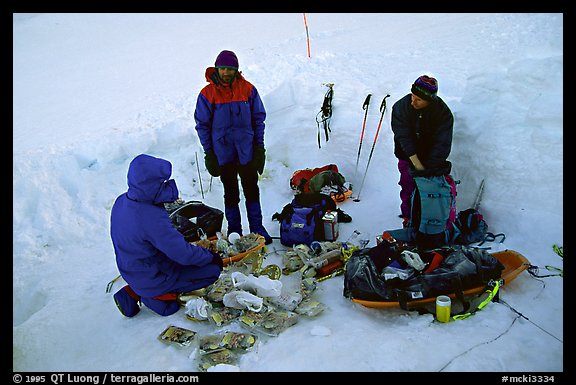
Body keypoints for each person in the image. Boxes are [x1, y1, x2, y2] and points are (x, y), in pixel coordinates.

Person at [110, 154, 223, 318]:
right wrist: (210, 257)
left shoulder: (122, 201)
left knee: (179, 260)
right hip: (155, 277)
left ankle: (135, 290)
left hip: (132, 269)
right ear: (151, 185)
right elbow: (182, 254)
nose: (166, 185)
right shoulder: (150, 216)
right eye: (161, 182)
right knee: (211, 271)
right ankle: (156, 296)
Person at [194, 49, 272, 244]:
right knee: (231, 193)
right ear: (217, 69)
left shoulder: (248, 90)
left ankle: (257, 228)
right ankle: (234, 230)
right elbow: (202, 125)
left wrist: (259, 148)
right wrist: (209, 153)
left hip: (247, 151)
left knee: (252, 190)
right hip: (223, 153)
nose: (226, 73)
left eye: (230, 69)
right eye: (223, 69)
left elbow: (258, 119)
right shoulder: (207, 94)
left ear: (236, 70)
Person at [390, 75, 455, 227]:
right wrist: (416, 164)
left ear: (430, 100)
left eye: (419, 100)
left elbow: (442, 144)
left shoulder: (443, 114)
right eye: (412, 96)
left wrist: (429, 168)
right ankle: (408, 217)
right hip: (407, 156)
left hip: (431, 158)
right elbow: (403, 136)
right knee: (407, 185)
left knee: (429, 190)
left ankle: (428, 218)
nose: (413, 102)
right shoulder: (401, 107)